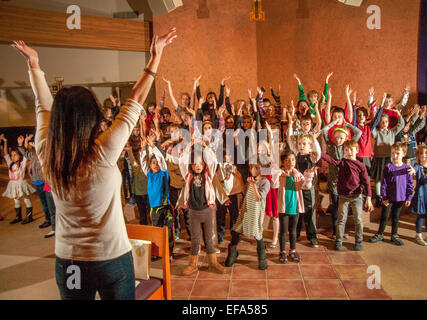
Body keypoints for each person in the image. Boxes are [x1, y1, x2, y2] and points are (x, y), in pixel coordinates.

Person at [11, 29, 177, 300]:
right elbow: (135, 100)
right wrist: (155, 58)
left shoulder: (47, 151)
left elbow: (42, 106)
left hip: (69, 260)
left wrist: (34, 66)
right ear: (92, 116)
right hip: (111, 258)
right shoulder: (103, 151)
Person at [178, 144, 229, 275]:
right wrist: (189, 146)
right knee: (195, 240)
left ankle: (213, 263)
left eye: (200, 163)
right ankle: (193, 264)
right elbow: (182, 162)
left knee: (209, 239)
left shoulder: (208, 175)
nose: (197, 166)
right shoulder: (188, 176)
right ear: (191, 166)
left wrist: (206, 147)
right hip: (193, 213)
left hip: (207, 212)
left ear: (204, 164)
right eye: (194, 164)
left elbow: (213, 161)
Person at [320, 140, 374, 251]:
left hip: (356, 196)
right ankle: (339, 240)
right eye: (346, 150)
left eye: (351, 149)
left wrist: (368, 197)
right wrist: (318, 152)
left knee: (358, 219)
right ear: (344, 151)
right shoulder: (342, 162)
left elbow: (366, 182)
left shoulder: (361, 166)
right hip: (343, 196)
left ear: (357, 150)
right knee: (341, 219)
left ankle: (358, 241)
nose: (349, 152)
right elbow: (331, 160)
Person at [225, 161, 270, 270]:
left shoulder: (265, 182)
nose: (250, 170)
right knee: (236, 231)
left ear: (260, 168)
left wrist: (254, 185)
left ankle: (262, 259)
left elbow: (258, 198)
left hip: (255, 213)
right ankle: (233, 254)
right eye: (250, 167)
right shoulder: (250, 180)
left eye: (253, 167)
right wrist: (240, 179)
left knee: (257, 234)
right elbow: (244, 192)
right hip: (246, 210)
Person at [272, 151, 315, 264]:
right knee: (283, 231)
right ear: (283, 162)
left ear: (295, 161)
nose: (290, 162)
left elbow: (306, 186)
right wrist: (276, 173)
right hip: (283, 208)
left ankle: (293, 250)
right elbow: (274, 184)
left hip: (295, 207)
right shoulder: (281, 175)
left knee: (293, 231)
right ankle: (282, 251)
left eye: (292, 159)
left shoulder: (298, 175)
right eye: (287, 160)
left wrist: (309, 176)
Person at [369, 143, 414, 246]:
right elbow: (383, 183)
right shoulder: (388, 167)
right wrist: (384, 196)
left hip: (401, 198)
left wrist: (408, 197)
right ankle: (380, 234)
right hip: (388, 198)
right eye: (393, 153)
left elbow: (410, 184)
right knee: (384, 216)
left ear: (403, 154)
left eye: (397, 153)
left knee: (396, 217)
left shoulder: (407, 168)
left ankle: (394, 235)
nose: (395, 156)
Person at [371, 111, 405, 207]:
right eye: (382, 121)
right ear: (379, 122)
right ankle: (378, 197)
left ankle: (387, 195)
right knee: (378, 178)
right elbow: (372, 127)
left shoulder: (392, 132)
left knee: (388, 177)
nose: (384, 123)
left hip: (389, 158)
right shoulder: (376, 133)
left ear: (388, 122)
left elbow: (401, 124)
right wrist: (375, 116)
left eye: (386, 121)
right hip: (379, 158)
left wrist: (398, 113)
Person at [0, 133, 35, 224]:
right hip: (13, 184)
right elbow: (5, 154)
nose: (13, 157)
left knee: (26, 199)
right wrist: (5, 142)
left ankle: (29, 217)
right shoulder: (10, 164)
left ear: (19, 156)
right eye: (12, 155)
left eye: (15, 155)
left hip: (21, 183)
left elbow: (26, 153)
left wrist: (24, 143)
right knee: (16, 200)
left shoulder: (22, 163)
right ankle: (18, 216)